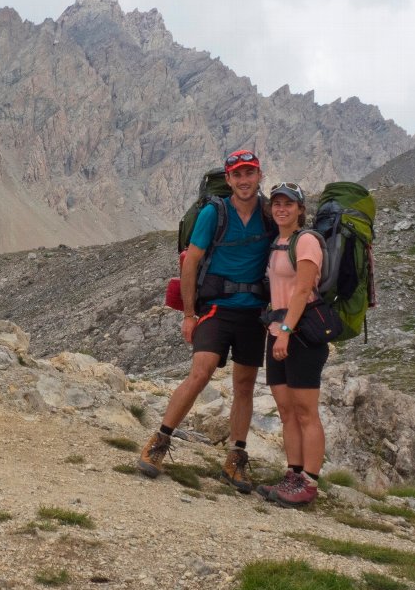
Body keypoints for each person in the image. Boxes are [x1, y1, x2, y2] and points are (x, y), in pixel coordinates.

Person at [138, 150, 275, 492]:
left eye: (250, 174)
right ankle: (159, 441)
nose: (244, 181)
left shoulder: (271, 213)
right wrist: (189, 314)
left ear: (259, 176)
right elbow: (191, 263)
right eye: (237, 175)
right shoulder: (215, 213)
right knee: (201, 373)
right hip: (216, 308)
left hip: (254, 312)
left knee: (244, 385)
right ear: (228, 180)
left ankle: (236, 459)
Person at [255, 182, 329, 507]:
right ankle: (293, 475)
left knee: (305, 411)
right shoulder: (277, 243)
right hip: (276, 333)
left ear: (301, 209)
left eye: (289, 204)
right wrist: (276, 331)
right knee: (286, 410)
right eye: (277, 203)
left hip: (301, 336)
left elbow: (302, 291)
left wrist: (285, 331)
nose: (282, 208)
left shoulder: (307, 241)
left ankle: (310, 483)